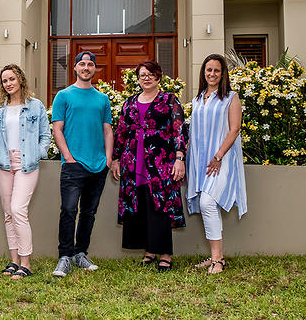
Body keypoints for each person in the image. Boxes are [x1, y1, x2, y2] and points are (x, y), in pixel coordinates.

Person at [111, 61, 188, 272]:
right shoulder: (129, 103)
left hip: (160, 163)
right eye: (142, 75)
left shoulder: (169, 100)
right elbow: (121, 132)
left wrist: (180, 158)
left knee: (160, 207)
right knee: (141, 206)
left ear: (158, 77)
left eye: (150, 74)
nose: (146, 78)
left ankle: (165, 254)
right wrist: (116, 159)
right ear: (137, 78)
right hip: (133, 163)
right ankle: (149, 251)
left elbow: (179, 130)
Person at [0, 64, 50, 280]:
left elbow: (45, 135)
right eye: (4, 80)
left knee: (17, 209)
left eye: (11, 79)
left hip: (26, 163)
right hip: (3, 163)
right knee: (8, 214)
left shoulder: (36, 106)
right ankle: (14, 261)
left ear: (20, 79)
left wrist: (37, 154)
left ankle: (26, 262)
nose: (8, 83)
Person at [50, 51, 113, 276]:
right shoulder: (64, 96)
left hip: (98, 166)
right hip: (73, 164)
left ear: (94, 69)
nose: (86, 67)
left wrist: (108, 158)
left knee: (89, 212)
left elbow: (107, 130)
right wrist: (68, 157)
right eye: (82, 64)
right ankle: (64, 257)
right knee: (68, 210)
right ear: (75, 68)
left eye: (90, 64)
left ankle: (80, 254)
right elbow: (57, 128)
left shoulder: (102, 99)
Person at [186, 54, 246, 274]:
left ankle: (218, 260)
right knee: (206, 205)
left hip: (221, 160)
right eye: (208, 70)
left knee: (208, 203)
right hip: (200, 161)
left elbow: (234, 129)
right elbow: (195, 131)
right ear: (203, 72)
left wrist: (219, 156)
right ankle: (215, 257)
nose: (212, 74)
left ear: (223, 74)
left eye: (216, 71)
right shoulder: (198, 98)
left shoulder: (231, 97)